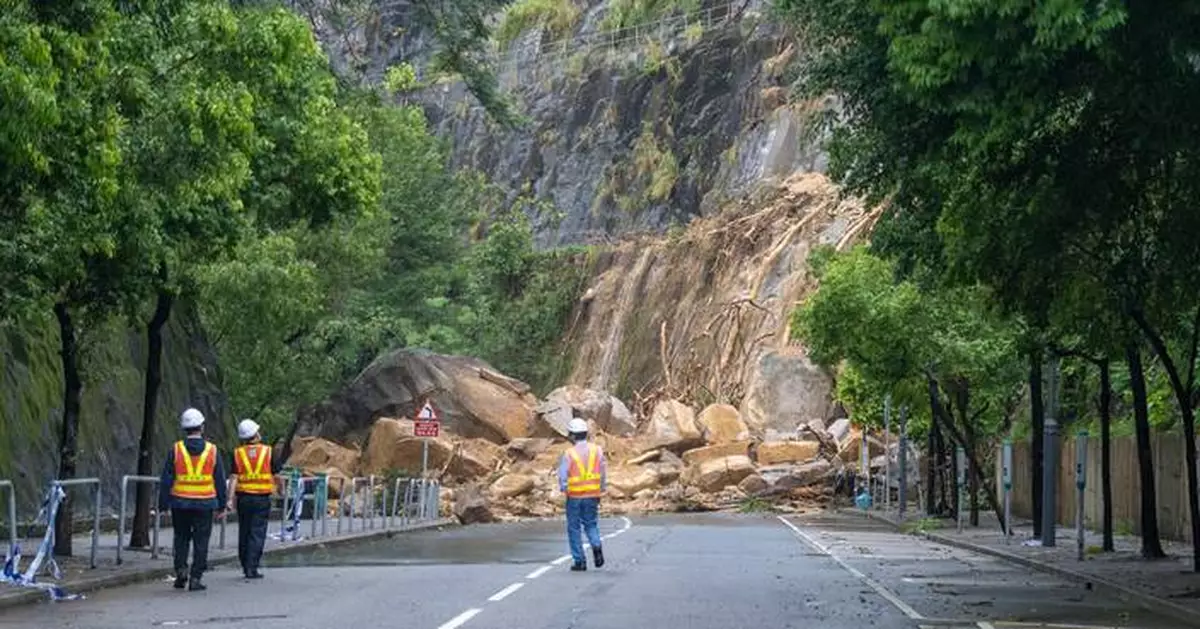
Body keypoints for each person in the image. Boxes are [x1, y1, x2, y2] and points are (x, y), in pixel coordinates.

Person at [159, 407, 227, 591]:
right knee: (201, 541)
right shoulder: (212, 451)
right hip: (205, 503)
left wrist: (162, 504)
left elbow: (166, 478)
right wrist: (222, 505)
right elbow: (220, 479)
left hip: (180, 502)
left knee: (181, 538)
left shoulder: (176, 449)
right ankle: (196, 577)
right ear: (202, 427)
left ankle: (181, 571)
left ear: (184, 428)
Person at [227, 419, 290, 579]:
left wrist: (229, 498)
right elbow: (277, 476)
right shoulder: (268, 452)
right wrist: (282, 491)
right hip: (261, 498)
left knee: (245, 531)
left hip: (243, 498)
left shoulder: (238, 453)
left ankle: (244, 563)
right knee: (257, 532)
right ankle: (252, 566)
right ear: (254, 434)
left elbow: (233, 477)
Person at [558, 418, 607, 572]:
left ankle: (579, 561)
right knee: (591, 524)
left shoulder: (569, 453)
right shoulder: (597, 450)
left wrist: (564, 489)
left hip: (574, 497)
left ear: (572, 435)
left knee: (574, 528)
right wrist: (600, 489)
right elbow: (602, 472)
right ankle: (596, 546)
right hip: (592, 495)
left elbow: (563, 476)